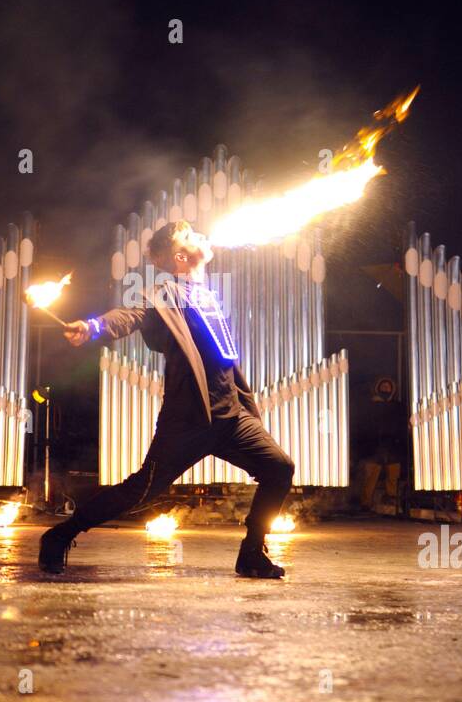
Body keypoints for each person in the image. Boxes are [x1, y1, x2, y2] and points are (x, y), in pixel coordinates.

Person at [38, 220, 296, 578]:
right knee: (141, 490)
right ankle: (60, 535)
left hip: (232, 415)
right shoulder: (163, 294)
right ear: (180, 256)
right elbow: (131, 314)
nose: (201, 235)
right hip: (189, 420)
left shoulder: (206, 294)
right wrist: (94, 327)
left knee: (279, 468)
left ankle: (252, 553)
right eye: (190, 236)